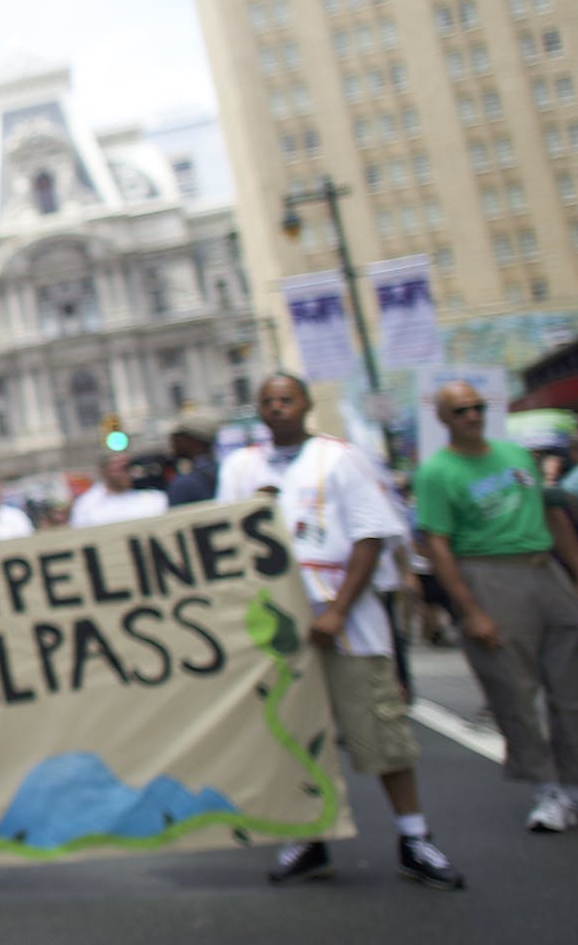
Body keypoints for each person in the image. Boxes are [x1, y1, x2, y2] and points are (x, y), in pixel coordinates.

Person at [216, 374, 464, 890]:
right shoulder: (240, 468)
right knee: (293, 736)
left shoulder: (339, 458)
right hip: (275, 629)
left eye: (287, 399)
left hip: (345, 624)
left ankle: (414, 837)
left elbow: (369, 537)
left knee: (378, 729)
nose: (277, 407)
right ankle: (309, 838)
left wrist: (337, 611)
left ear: (306, 404)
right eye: (268, 401)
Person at [415, 380, 578, 833]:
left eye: (476, 407)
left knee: (572, 686)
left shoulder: (515, 455)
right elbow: (437, 544)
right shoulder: (437, 472)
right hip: (487, 573)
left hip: (542, 569)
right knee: (512, 691)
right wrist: (470, 609)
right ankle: (546, 787)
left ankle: (577, 782)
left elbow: (553, 515)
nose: (471, 416)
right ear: (444, 419)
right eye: (460, 411)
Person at [69, 451, 169, 529]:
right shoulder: (86, 505)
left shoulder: (154, 498)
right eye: (121, 468)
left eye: (128, 467)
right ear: (104, 471)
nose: (126, 473)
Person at [167, 412, 221, 506]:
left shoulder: (184, 484)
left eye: (177, 437)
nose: (172, 443)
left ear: (193, 441)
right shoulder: (224, 470)